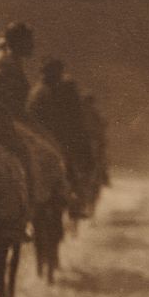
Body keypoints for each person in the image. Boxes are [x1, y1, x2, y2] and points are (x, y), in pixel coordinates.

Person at [27, 58, 93, 209]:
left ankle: (77, 197)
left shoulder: (66, 90)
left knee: (74, 164)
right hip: (42, 137)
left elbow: (75, 118)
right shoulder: (38, 92)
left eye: (52, 73)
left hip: (61, 138)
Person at [0, 22, 34, 119]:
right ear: (19, 42)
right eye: (28, 40)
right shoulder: (6, 63)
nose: (32, 44)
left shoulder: (12, 59)